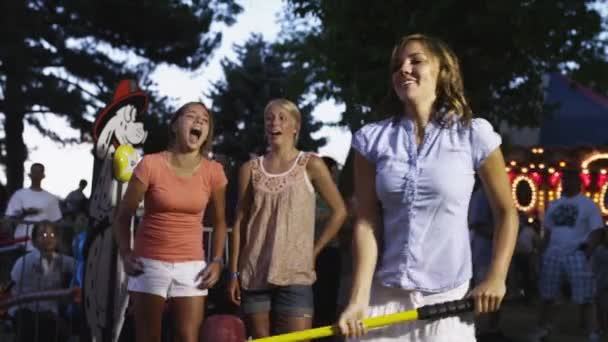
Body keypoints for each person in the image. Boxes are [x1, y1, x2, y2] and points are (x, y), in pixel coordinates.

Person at [337, 34, 519, 341]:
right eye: (397, 65)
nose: (404, 69)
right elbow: (367, 221)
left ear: (442, 71)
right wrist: (358, 299)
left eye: (416, 61)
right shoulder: (372, 140)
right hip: (384, 295)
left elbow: (506, 213)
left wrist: (496, 277)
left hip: (448, 298)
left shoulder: (474, 134)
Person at [227, 98, 347, 338]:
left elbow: (340, 211)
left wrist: (313, 251)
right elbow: (240, 222)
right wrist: (233, 274)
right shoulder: (249, 169)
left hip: (296, 274)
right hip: (254, 273)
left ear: (296, 127)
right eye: (269, 118)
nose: (274, 122)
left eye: (282, 117)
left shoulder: (311, 164)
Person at [113, 101, 228, 342]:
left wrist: (217, 260)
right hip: (149, 263)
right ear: (174, 126)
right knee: (148, 337)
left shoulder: (213, 171)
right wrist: (125, 252)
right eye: (191, 116)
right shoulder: (150, 164)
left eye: (204, 120)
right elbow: (124, 215)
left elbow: (219, 221)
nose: (198, 121)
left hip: (192, 266)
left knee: (187, 337)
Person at [532, 168, 603, 342]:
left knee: (585, 297)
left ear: (578, 183)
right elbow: (547, 232)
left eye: (569, 179)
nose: (565, 183)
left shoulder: (588, 204)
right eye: (564, 180)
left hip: (577, 253)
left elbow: (597, 231)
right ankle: (543, 329)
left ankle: (592, 332)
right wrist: (540, 252)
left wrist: (588, 251)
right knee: (547, 295)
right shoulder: (554, 205)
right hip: (553, 254)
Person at [10, 221, 75, 342]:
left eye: (52, 236)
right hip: (26, 311)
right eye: (43, 235)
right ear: (34, 241)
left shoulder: (63, 261)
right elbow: (14, 290)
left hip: (51, 313)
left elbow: (80, 267)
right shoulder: (24, 262)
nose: (48, 239)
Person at [4, 163, 62, 251]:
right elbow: (9, 218)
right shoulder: (19, 195)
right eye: (34, 172)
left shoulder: (51, 198)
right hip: (21, 241)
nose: (36, 175)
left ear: (43, 175)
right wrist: (25, 213)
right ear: (30, 175)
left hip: (43, 243)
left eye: (39, 172)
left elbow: (56, 222)